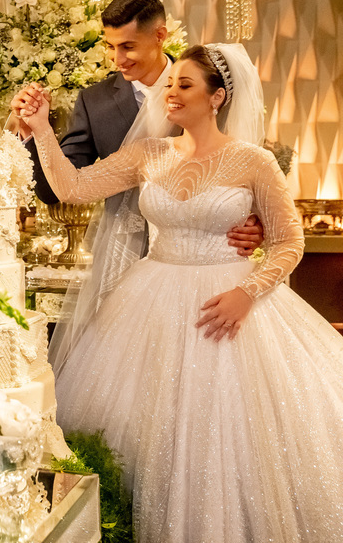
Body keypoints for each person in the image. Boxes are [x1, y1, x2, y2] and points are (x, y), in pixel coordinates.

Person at [19, 43, 343, 543]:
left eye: (184, 85)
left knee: (229, 430)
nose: (170, 93)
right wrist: (41, 130)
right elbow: (72, 188)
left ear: (217, 97)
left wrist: (247, 292)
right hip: (151, 297)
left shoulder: (253, 161)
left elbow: (289, 242)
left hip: (228, 298)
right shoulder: (148, 153)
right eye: (170, 84)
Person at [11, 0, 263, 257]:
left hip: (201, 253)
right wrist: (32, 131)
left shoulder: (206, 87)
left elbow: (243, 170)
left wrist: (256, 224)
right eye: (110, 46)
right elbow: (56, 190)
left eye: (128, 47)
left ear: (160, 36)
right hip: (121, 257)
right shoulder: (94, 101)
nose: (117, 60)